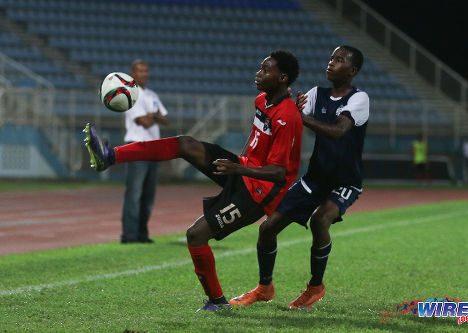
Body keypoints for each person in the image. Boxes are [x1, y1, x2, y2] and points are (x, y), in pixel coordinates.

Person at [84, 50, 303, 312]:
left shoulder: (288, 116)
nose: (258, 73)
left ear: (282, 78)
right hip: (243, 170)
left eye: (265, 70)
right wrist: (239, 162)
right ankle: (110, 156)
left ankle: (217, 302)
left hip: (260, 191)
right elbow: (255, 137)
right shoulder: (261, 100)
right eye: (260, 68)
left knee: (195, 235)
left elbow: (279, 173)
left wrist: (236, 169)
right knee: (185, 144)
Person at [229, 45, 369, 310]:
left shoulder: (359, 99)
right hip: (314, 178)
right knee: (267, 228)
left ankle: (315, 287)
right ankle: (264, 287)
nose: (331, 63)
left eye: (339, 60)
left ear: (352, 70)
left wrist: (301, 117)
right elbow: (294, 112)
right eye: (331, 58)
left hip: (345, 181)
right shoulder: (317, 93)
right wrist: (294, 110)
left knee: (320, 220)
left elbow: (339, 130)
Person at [120, 60, 169, 244]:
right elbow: (144, 122)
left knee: (148, 194)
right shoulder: (129, 94)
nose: (144, 74)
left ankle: (142, 234)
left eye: (146, 70)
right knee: (134, 193)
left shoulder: (152, 95)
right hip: (137, 147)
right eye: (140, 71)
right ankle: (129, 235)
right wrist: (155, 116)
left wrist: (152, 116)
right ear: (132, 73)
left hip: (153, 148)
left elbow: (166, 119)